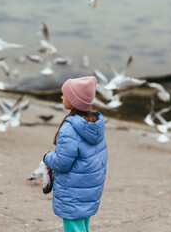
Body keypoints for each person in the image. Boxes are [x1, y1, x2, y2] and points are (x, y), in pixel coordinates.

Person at [43, 76, 108, 232]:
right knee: (83, 227)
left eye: (65, 94)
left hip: (73, 191)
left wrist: (47, 157)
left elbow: (62, 164)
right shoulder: (94, 124)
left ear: (74, 100)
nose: (62, 97)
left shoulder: (69, 129)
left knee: (74, 229)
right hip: (89, 189)